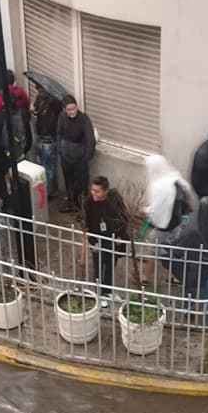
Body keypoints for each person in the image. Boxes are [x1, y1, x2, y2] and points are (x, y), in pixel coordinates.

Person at [161, 196, 208, 324]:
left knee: (200, 286)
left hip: (202, 260)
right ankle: (193, 310)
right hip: (196, 260)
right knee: (197, 286)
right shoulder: (196, 225)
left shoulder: (206, 220)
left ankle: (204, 313)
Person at [84, 177, 131, 305]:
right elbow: (87, 224)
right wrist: (92, 242)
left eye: (97, 191)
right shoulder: (89, 203)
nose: (94, 193)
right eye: (92, 190)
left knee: (110, 266)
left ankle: (107, 292)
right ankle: (99, 294)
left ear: (105, 191)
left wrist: (121, 236)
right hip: (97, 239)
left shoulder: (114, 200)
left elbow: (123, 217)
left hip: (112, 238)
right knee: (98, 267)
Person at [56, 95, 96, 213]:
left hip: (79, 158)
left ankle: (81, 208)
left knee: (81, 184)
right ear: (64, 109)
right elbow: (58, 133)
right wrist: (60, 149)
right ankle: (70, 203)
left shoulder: (83, 119)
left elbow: (90, 139)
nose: (72, 111)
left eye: (74, 108)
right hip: (66, 156)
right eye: (69, 109)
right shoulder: (62, 117)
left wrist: (86, 156)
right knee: (68, 181)